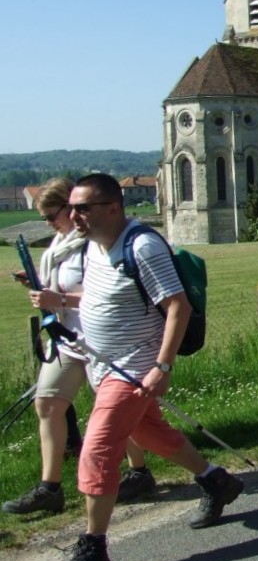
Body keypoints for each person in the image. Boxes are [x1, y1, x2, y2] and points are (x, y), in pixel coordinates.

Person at [41, 173, 245, 561]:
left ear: (112, 208)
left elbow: (177, 306)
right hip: (104, 365)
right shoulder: (96, 247)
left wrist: (162, 365)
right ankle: (215, 481)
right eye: (73, 208)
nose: (73, 215)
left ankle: (94, 552)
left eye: (83, 208)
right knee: (148, 432)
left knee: (97, 449)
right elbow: (100, 299)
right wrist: (58, 302)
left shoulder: (143, 246)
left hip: (133, 369)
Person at [3, 179, 154, 517]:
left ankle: (139, 472)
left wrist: (58, 298)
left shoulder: (95, 244)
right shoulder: (59, 246)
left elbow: (104, 293)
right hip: (66, 340)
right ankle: (50, 488)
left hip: (99, 341)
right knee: (47, 404)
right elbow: (62, 289)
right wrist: (41, 287)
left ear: (71, 209)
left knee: (113, 413)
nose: (48, 223)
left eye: (50, 215)